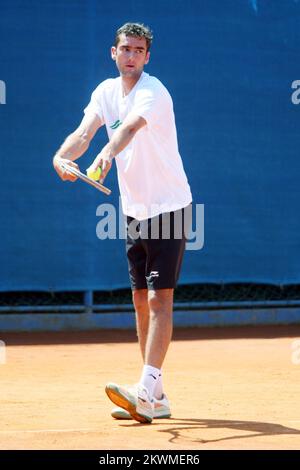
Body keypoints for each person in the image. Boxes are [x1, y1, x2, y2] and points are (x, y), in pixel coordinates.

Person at [53, 22, 192, 424]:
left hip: (168, 206)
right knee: (139, 302)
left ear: (147, 57)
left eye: (138, 50)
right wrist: (61, 156)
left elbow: (128, 129)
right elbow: (84, 133)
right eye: (124, 48)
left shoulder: (154, 92)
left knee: (159, 299)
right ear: (113, 53)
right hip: (134, 210)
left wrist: (106, 155)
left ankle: (146, 389)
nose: (130, 55)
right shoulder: (104, 92)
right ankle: (158, 395)